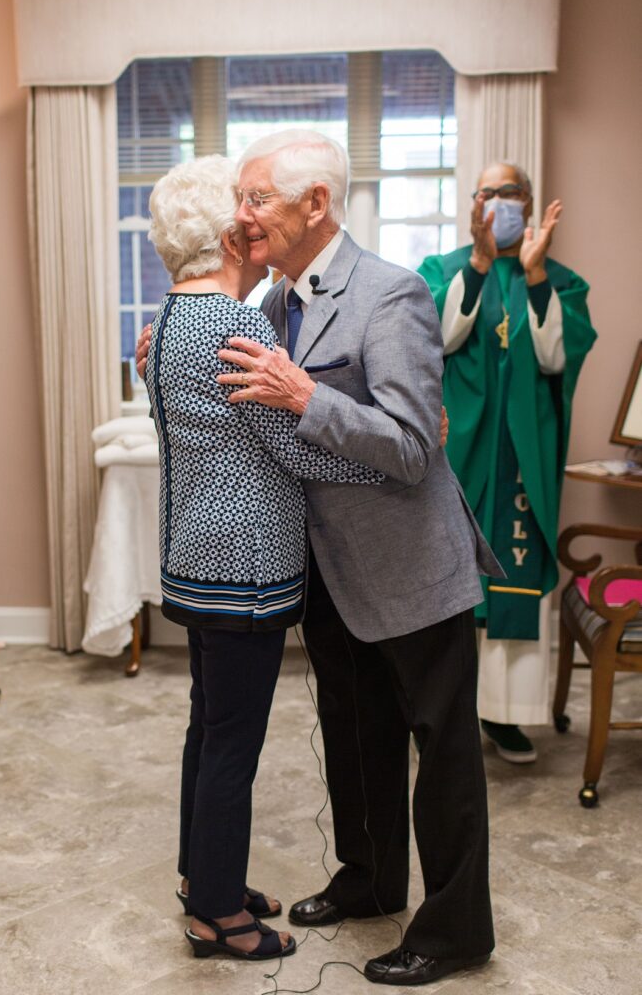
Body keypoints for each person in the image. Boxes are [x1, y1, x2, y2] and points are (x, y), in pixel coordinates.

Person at [137, 129, 502, 987]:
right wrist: (160, 357)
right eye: (240, 199)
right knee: (352, 734)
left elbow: (413, 447)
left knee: (438, 751)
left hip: (410, 564)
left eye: (257, 197)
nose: (243, 214)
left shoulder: (392, 294)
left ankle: (454, 931)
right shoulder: (262, 306)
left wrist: (307, 398)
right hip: (329, 570)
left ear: (315, 204)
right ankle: (368, 878)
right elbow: (233, 408)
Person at [143, 154, 386, 964]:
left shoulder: (172, 318)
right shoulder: (232, 326)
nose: (257, 224)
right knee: (231, 745)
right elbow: (299, 448)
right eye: (245, 214)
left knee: (207, 731)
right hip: (239, 567)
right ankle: (216, 915)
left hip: (194, 554)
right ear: (225, 235)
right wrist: (385, 461)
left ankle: (201, 876)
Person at [417, 163, 596, 765]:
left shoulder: (560, 281)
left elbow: (554, 360)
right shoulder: (442, 272)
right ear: (474, 205)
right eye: (488, 193)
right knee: (449, 580)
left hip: (521, 455)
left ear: (529, 201)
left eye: (510, 192)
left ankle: (505, 715)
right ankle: (442, 713)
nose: (500, 202)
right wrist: (479, 262)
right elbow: (435, 339)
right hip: (458, 454)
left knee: (511, 580)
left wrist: (536, 273)